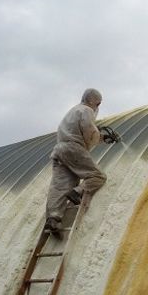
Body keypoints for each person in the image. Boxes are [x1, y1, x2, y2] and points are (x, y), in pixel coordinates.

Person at [44, 88, 107, 237]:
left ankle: (53, 219)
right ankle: (77, 192)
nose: (98, 107)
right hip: (73, 148)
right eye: (98, 103)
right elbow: (89, 132)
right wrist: (102, 137)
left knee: (59, 186)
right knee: (97, 176)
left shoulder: (73, 111)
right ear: (93, 100)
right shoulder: (86, 110)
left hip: (59, 150)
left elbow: (81, 130)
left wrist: (102, 137)